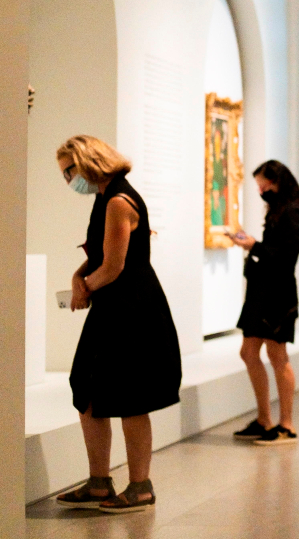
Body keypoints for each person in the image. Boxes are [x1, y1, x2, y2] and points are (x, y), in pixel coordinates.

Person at [54, 135, 181, 513]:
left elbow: (113, 266)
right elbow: (100, 253)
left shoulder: (118, 201)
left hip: (131, 309)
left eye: (69, 171)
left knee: (130, 397)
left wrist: (84, 289)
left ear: (88, 162)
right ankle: (99, 483)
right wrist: (79, 276)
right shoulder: (105, 197)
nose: (68, 180)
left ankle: (140, 486)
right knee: (88, 389)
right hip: (113, 307)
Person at [230, 160, 299, 446]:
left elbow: (285, 258)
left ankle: (286, 425)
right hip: (263, 290)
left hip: (278, 293)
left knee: (277, 355)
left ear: (277, 181)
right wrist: (253, 245)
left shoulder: (294, 213)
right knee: (248, 352)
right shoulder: (281, 210)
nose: (260, 190)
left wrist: (253, 245)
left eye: (263, 184)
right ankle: (264, 418)